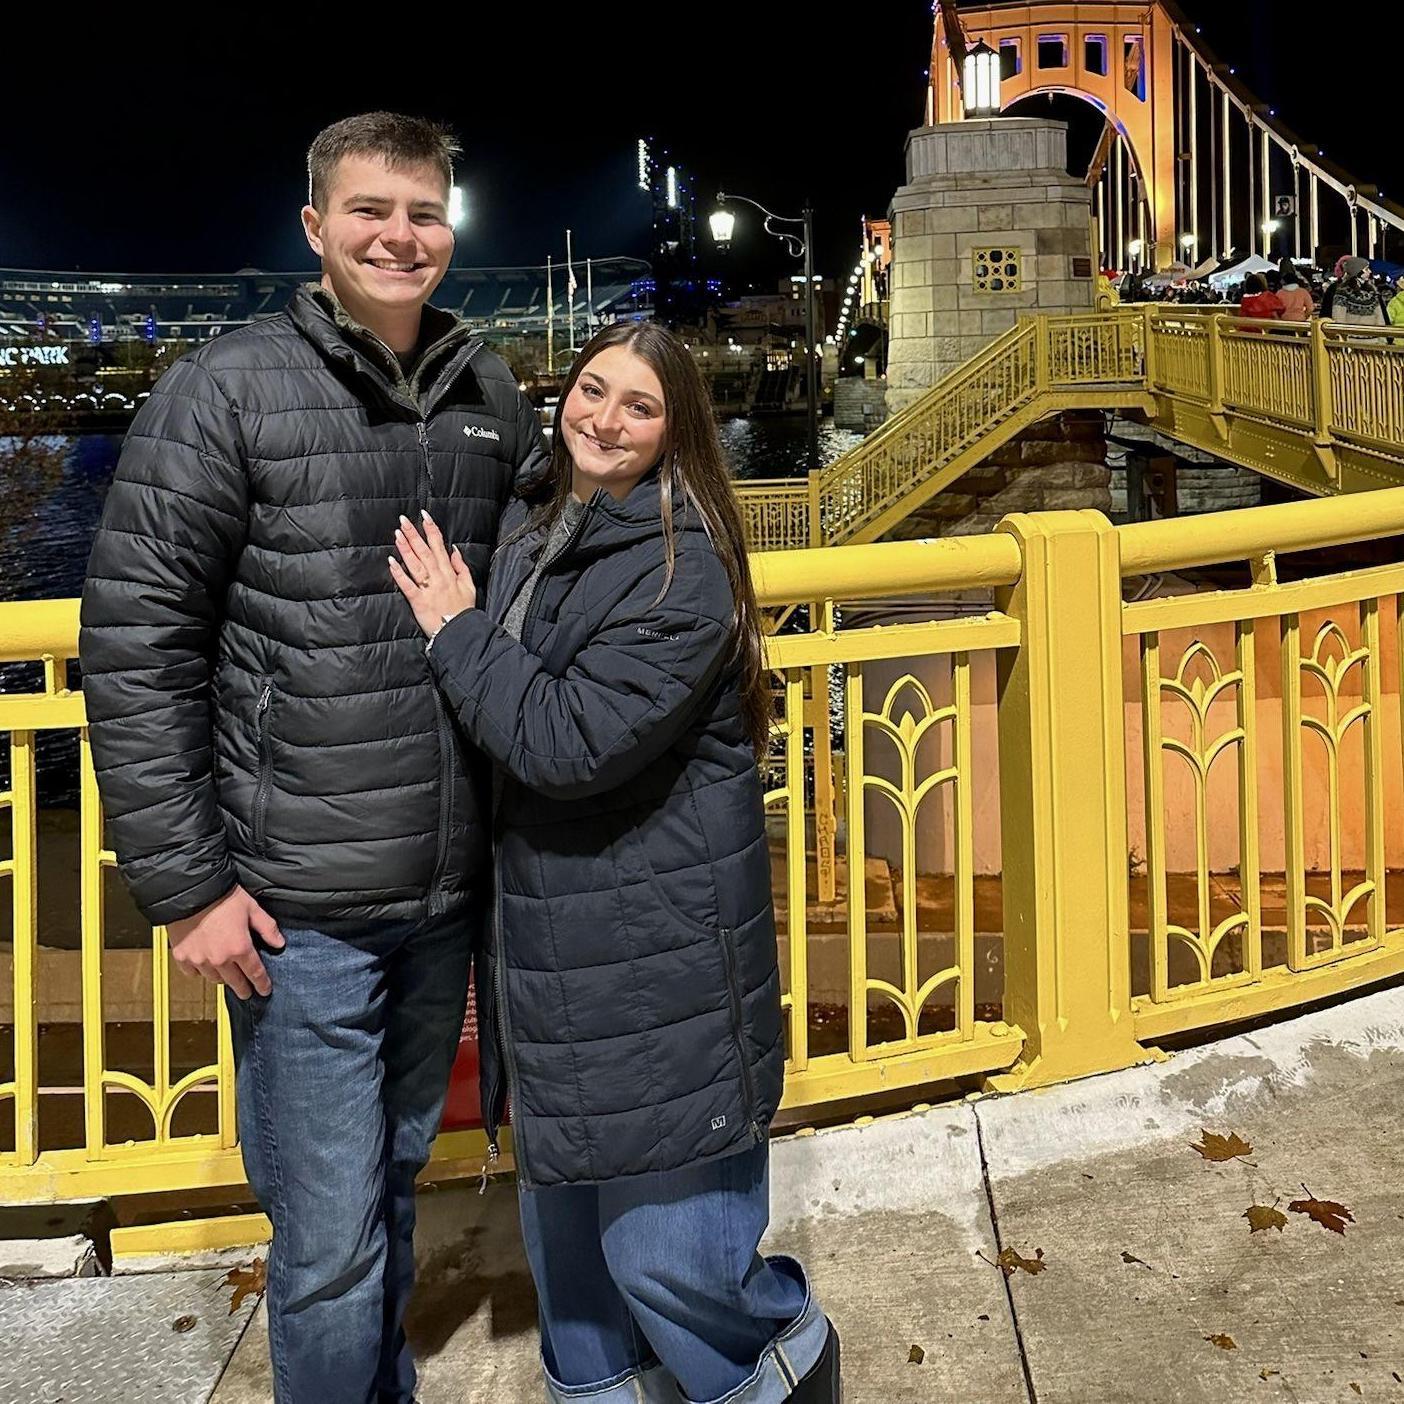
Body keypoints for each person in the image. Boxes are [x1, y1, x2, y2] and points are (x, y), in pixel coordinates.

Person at [79, 112, 546, 1403]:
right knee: (331, 1243)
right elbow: (136, 641)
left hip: (446, 896)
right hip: (298, 914)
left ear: (450, 227)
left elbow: (552, 572)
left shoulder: (489, 391)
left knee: (390, 1190)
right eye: (369, 211)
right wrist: (188, 888)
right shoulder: (226, 390)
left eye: (424, 212)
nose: (400, 236)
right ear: (315, 227)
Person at [389, 321, 841, 1403]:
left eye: (640, 406)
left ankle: (788, 1372)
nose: (603, 418)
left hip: (658, 961)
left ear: (677, 432)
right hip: (551, 951)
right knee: (579, 1299)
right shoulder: (539, 519)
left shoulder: (683, 569)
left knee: (670, 1264)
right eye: (591, 390)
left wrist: (456, 631)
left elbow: (565, 741)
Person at [1321, 255, 1388, 326]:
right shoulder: (1343, 292)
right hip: (1352, 332)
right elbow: (1339, 319)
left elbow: (1380, 318)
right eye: (1366, 269)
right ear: (1357, 271)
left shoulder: (1372, 292)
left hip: (1371, 332)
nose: (1370, 271)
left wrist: (1380, 332)